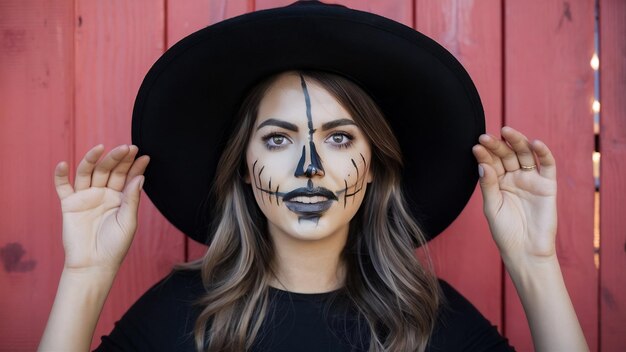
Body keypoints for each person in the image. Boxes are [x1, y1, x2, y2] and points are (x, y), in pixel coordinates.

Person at [39, 2, 588, 351]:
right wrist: (85, 274)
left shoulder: (426, 321)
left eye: (340, 137)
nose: (310, 167)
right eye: (277, 139)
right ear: (245, 173)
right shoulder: (181, 317)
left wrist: (534, 264)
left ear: (373, 168)